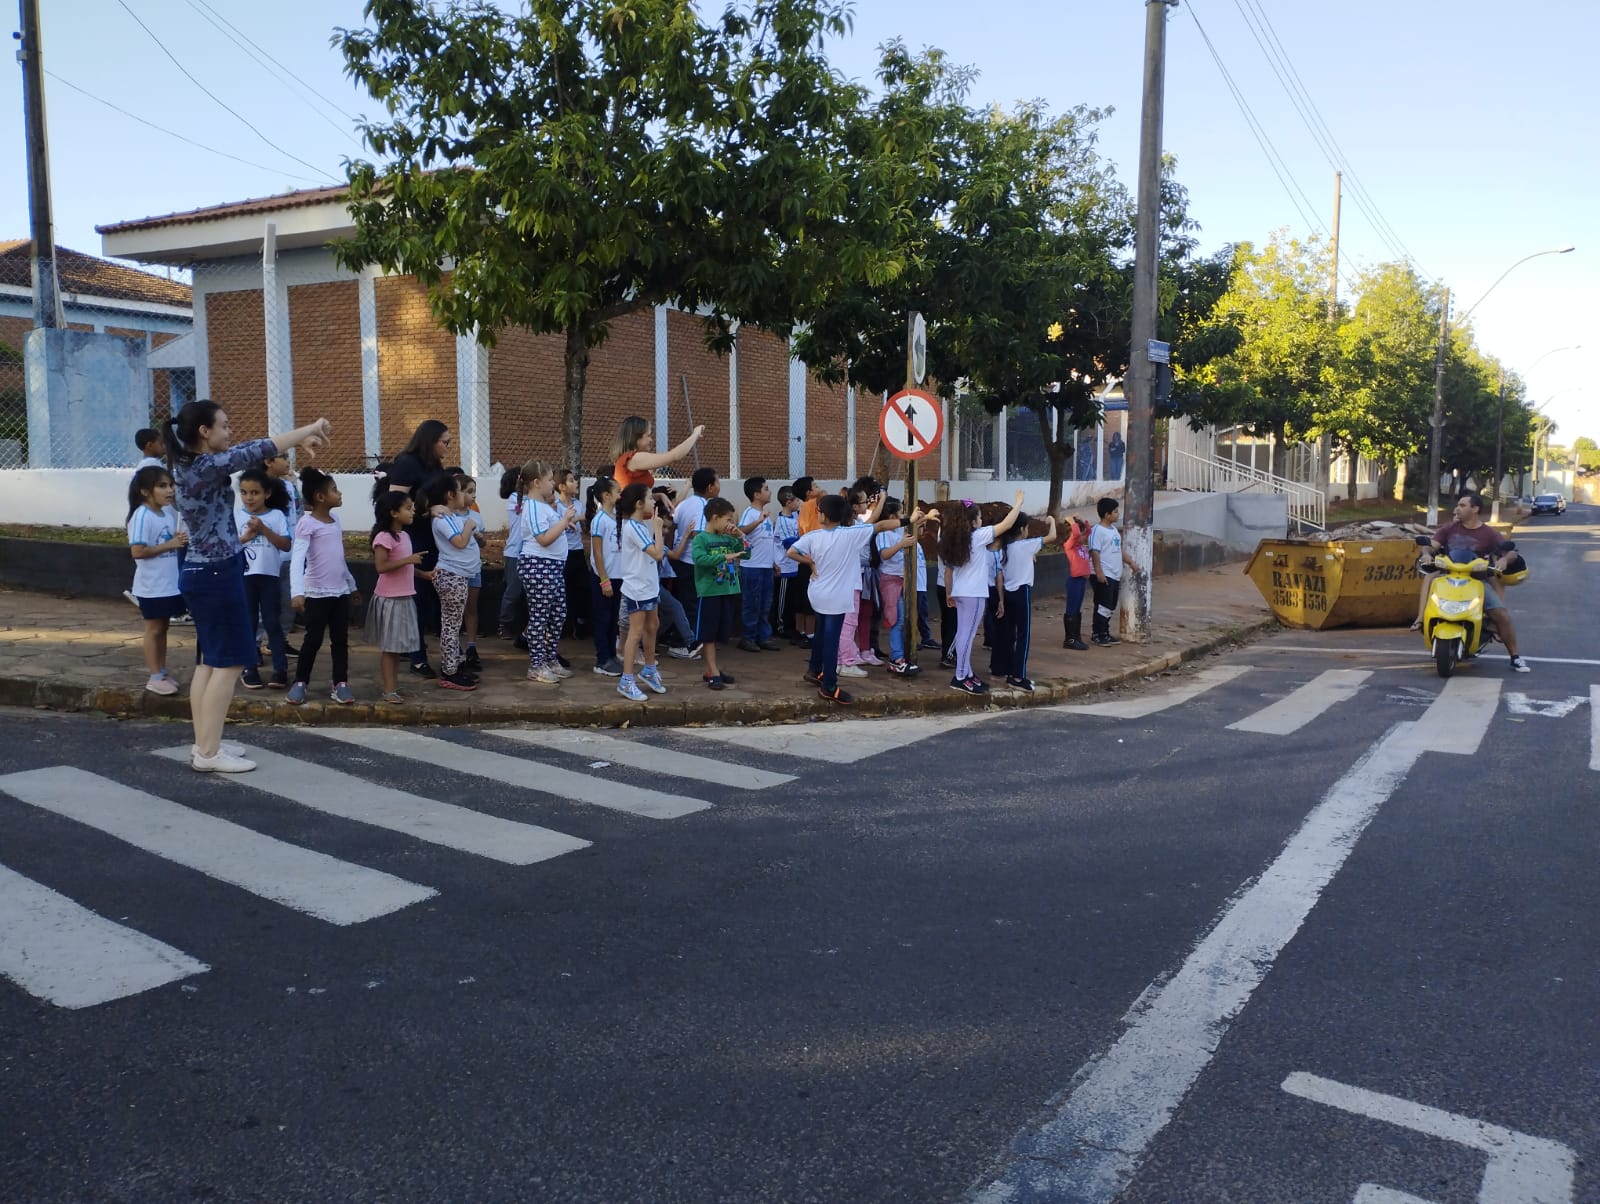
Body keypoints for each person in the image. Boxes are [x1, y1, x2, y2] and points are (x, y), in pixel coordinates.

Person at [164, 400, 331, 771]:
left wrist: (299, 438)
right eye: (223, 425)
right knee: (228, 664)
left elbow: (248, 450)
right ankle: (208, 754)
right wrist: (307, 430)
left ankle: (205, 744)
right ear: (204, 431)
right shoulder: (204, 466)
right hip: (216, 575)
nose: (229, 431)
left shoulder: (189, 465)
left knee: (209, 662)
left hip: (203, 571)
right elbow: (257, 449)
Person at [788, 492, 920, 705]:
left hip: (817, 594)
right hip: (837, 597)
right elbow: (880, 525)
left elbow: (791, 552)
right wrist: (908, 520)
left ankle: (814, 670)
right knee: (831, 641)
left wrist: (811, 563)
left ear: (823, 515)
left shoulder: (813, 536)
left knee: (821, 634)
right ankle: (829, 686)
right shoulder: (851, 534)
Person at [1414, 491, 1529, 672]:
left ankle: (1515, 657)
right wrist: (1427, 554)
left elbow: (1510, 552)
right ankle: (1421, 620)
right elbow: (1431, 545)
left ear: (1475, 509)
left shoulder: (1489, 533)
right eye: (1458, 505)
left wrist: (1504, 560)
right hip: (1448, 578)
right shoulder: (1449, 528)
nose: (1457, 509)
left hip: (1477, 581)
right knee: (1431, 589)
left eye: (1462, 505)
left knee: (1501, 615)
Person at [384, 419, 452, 678]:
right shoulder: (407, 463)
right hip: (413, 536)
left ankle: (439, 652)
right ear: (430, 441)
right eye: (444, 442)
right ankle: (417, 657)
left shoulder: (434, 465)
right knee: (418, 596)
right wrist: (427, 510)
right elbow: (395, 502)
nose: (447, 447)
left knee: (433, 594)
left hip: (434, 536)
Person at [939, 492, 1025, 694]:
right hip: (974, 594)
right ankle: (960, 676)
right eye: (978, 517)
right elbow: (1006, 525)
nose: (981, 520)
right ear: (972, 522)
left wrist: (949, 593)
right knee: (967, 636)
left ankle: (967, 673)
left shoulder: (957, 538)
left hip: (961, 592)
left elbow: (949, 570)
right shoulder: (977, 536)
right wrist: (1019, 503)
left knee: (963, 633)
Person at [288, 467, 361, 705]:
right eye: (334, 490)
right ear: (320, 497)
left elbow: (338, 558)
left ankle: (340, 683)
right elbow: (298, 559)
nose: (340, 494)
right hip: (316, 593)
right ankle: (300, 682)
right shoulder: (306, 523)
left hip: (339, 592)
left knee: (340, 640)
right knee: (313, 640)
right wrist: (297, 592)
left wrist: (351, 585)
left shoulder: (336, 520)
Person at [126, 464, 188, 696]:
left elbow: (164, 542)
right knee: (154, 628)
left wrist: (176, 540)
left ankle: (161, 671)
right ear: (145, 491)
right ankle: (154, 676)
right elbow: (138, 551)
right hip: (152, 585)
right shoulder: (142, 515)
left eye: (171, 485)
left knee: (163, 627)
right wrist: (170, 544)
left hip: (168, 584)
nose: (170, 490)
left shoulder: (166, 513)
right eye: (162, 486)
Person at [517, 459, 578, 685]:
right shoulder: (533, 506)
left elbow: (549, 530)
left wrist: (563, 524)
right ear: (536, 482)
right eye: (550, 480)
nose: (553, 483)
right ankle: (536, 665)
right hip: (538, 566)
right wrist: (564, 521)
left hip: (553, 567)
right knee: (539, 617)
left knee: (558, 614)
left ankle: (550, 659)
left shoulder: (542, 506)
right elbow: (543, 539)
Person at [235, 467, 292, 690]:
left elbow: (285, 544)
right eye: (244, 492)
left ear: (267, 494)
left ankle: (280, 669)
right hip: (245, 577)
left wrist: (264, 529)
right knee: (248, 623)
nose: (249, 498)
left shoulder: (276, 516)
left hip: (269, 577)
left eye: (255, 492)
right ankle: (249, 667)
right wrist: (246, 536)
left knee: (272, 622)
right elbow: (229, 547)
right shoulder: (237, 516)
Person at [368, 490, 427, 704]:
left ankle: (393, 686)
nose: (413, 512)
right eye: (408, 508)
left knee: (397, 648)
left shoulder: (405, 536)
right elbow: (381, 567)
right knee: (390, 649)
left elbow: (406, 567)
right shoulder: (384, 537)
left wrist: (425, 575)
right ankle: (389, 690)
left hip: (404, 597)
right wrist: (408, 560)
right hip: (390, 599)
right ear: (394, 513)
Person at [612, 483, 669, 702]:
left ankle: (649, 669)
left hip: (649, 586)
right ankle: (626, 681)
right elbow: (657, 554)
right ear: (638, 504)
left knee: (653, 626)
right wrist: (658, 529)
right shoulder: (634, 527)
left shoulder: (639, 525)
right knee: (635, 633)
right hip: (637, 589)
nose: (654, 502)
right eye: (650, 498)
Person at [991, 513, 1056, 691]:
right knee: (1023, 636)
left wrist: (1001, 600)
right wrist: (1052, 521)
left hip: (1007, 593)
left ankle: (1008, 671)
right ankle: (1018, 676)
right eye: (1026, 527)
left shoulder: (1005, 547)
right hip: (1021, 592)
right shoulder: (1026, 545)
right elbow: (1052, 536)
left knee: (1009, 634)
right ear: (1021, 529)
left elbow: (1000, 575)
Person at [429, 474, 481, 692]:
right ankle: (449, 672)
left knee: (454, 624)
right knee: (451, 626)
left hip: (459, 576)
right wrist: (469, 526)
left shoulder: (450, 516)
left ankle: (454, 666)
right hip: (451, 576)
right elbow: (459, 542)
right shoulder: (442, 519)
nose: (465, 495)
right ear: (450, 495)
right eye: (461, 491)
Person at [690, 497, 747, 689]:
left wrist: (740, 536)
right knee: (708, 633)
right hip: (710, 592)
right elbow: (699, 559)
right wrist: (724, 556)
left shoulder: (729, 538)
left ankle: (712, 669)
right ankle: (713, 671)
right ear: (715, 518)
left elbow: (747, 553)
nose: (731, 524)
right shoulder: (701, 539)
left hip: (728, 590)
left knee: (721, 633)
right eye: (728, 519)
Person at [871, 498, 920, 676]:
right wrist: (901, 544)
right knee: (896, 620)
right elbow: (884, 554)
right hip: (890, 580)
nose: (902, 516)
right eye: (900, 513)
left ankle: (900, 655)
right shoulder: (884, 534)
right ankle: (896, 658)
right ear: (892, 516)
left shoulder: (898, 530)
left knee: (903, 619)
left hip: (902, 579)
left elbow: (914, 524)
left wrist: (924, 517)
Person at [737, 475, 781, 651]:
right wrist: (758, 521)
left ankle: (763, 637)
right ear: (756, 494)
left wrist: (773, 562)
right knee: (752, 603)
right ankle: (748, 638)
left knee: (765, 604)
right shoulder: (750, 513)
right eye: (766, 489)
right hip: (752, 567)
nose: (769, 492)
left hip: (765, 567)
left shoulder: (766, 515)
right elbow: (740, 531)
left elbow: (767, 542)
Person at [263, 450, 302, 647]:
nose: (288, 461)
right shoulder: (257, 487)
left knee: (287, 599)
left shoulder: (289, 486)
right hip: (266, 554)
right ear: (268, 461)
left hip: (290, 553)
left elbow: (298, 513)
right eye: (283, 458)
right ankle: (257, 643)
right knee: (264, 601)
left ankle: (279, 641)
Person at [586, 476, 624, 676]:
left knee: (613, 618)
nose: (620, 495)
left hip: (618, 576)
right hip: (605, 577)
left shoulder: (616, 517)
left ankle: (611, 655)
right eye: (618, 492)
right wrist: (604, 579)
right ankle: (602, 660)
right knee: (603, 618)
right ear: (606, 495)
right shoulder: (599, 520)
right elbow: (597, 552)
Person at [671, 466, 719, 615]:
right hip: (694, 564)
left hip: (681, 561)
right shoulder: (703, 506)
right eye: (717, 482)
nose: (719, 486)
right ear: (710, 487)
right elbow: (697, 533)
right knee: (694, 609)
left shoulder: (684, 504)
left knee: (685, 606)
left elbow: (673, 525)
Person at [610, 416, 706, 490]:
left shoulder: (629, 459)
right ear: (636, 438)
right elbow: (675, 455)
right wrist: (695, 435)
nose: (651, 440)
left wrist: (658, 496)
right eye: (648, 435)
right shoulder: (635, 458)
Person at [556, 467, 591, 643]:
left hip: (577, 551)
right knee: (564, 590)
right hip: (563, 552)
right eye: (571, 480)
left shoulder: (578, 504)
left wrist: (580, 519)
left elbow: (584, 523)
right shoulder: (556, 505)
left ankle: (580, 623)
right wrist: (569, 520)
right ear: (561, 486)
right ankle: (564, 626)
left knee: (583, 588)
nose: (575, 482)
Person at [1088, 496, 1124, 646]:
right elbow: (1094, 552)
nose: (1118, 514)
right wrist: (1099, 572)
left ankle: (1105, 632)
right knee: (1103, 605)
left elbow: (1118, 550)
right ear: (1106, 514)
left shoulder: (1114, 530)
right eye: (1115, 511)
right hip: (1104, 574)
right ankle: (1098, 634)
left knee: (1111, 605)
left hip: (1115, 574)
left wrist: (1130, 562)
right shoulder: (1097, 531)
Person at [496, 466, 527, 639]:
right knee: (513, 591)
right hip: (515, 552)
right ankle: (504, 623)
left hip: (527, 552)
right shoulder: (515, 498)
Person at [1062, 514, 1093, 651]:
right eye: (1081, 534)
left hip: (1081, 581)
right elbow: (1076, 534)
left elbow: (1088, 531)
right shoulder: (1070, 545)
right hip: (1074, 581)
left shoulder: (1081, 545)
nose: (1083, 537)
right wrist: (1071, 522)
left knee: (1077, 609)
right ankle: (1070, 639)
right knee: (1072, 608)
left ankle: (1076, 636)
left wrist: (1083, 520)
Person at [774, 485, 801, 642]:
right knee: (783, 600)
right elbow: (789, 543)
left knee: (792, 599)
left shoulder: (796, 515)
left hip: (794, 565)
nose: (799, 503)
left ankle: (790, 626)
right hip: (784, 566)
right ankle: (781, 626)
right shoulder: (782, 520)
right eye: (796, 500)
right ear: (788, 502)